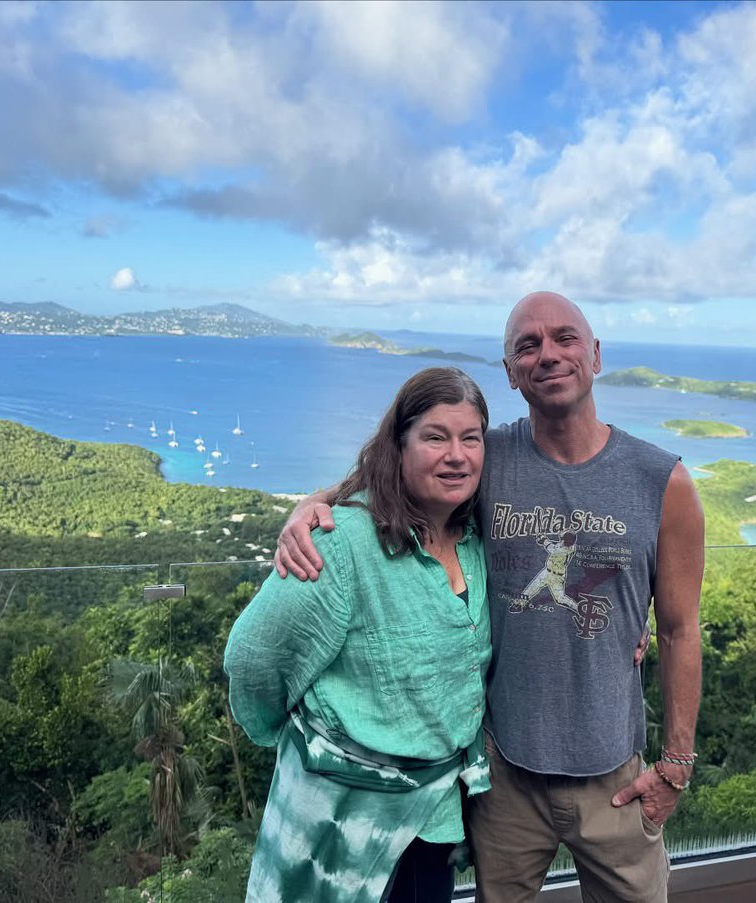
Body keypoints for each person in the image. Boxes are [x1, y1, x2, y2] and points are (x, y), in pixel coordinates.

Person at [276, 292, 705, 902]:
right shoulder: (486, 458)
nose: (548, 354)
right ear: (509, 372)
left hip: (615, 777)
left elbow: (680, 631)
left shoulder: (662, 480)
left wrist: (676, 765)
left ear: (596, 355)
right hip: (504, 779)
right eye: (528, 346)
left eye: (565, 338)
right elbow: (387, 482)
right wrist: (310, 506)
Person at [225, 367, 493, 903]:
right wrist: (298, 735)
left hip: (432, 815)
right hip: (337, 816)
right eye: (435, 437)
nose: (456, 455)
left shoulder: (478, 536)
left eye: (471, 438)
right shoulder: (342, 541)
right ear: (399, 445)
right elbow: (253, 657)